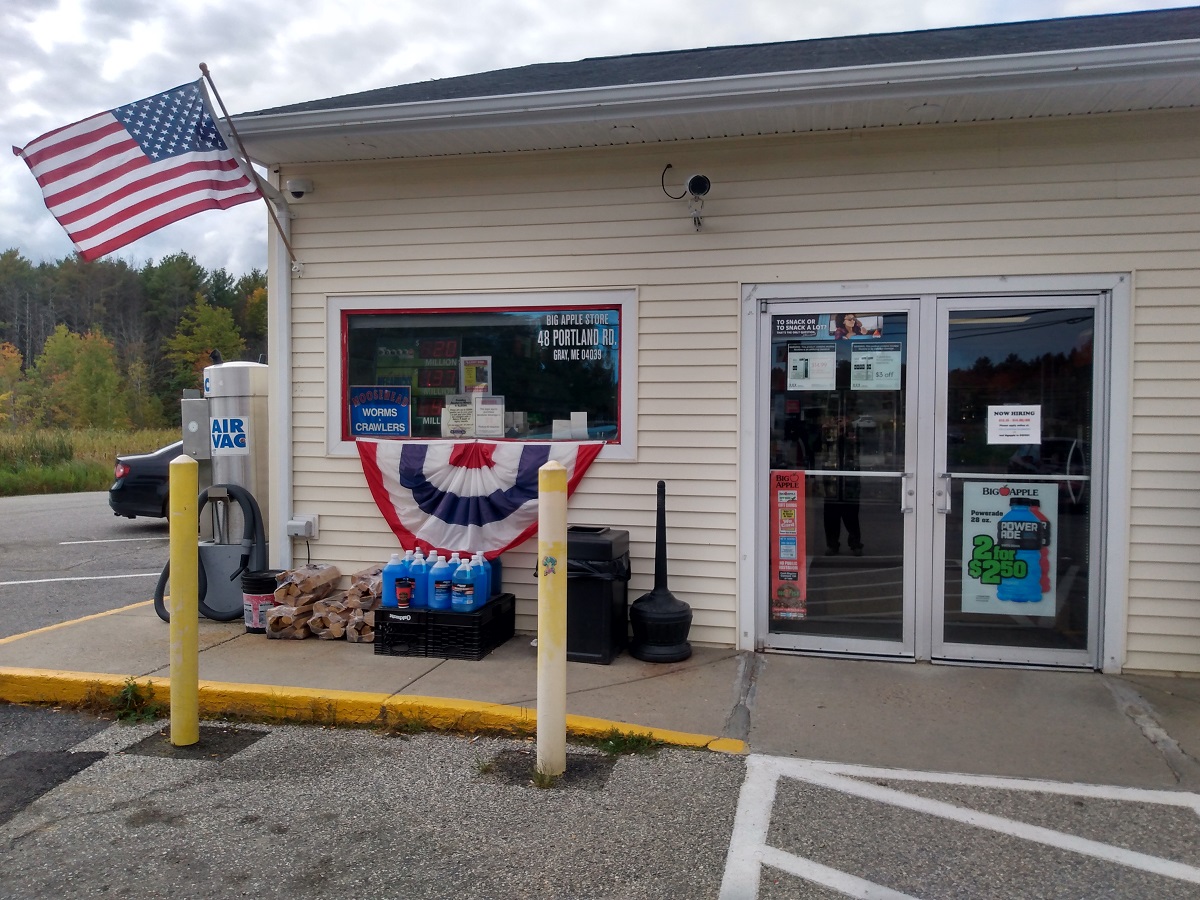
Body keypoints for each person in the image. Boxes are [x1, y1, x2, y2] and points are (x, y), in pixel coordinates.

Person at [819, 415, 863, 556]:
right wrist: (826, 431)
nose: (839, 424)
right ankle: (832, 544)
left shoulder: (853, 433)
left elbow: (857, 447)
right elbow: (817, 447)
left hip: (849, 480)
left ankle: (855, 543)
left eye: (842, 420)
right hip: (831, 480)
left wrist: (846, 431)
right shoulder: (827, 434)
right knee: (831, 515)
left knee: (851, 515)